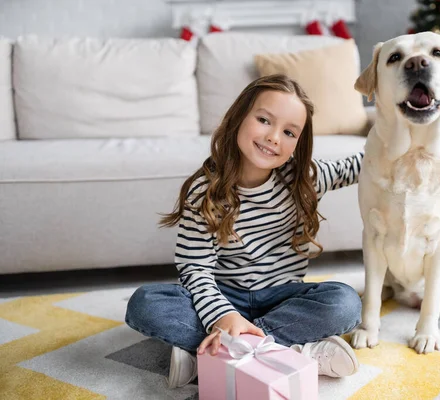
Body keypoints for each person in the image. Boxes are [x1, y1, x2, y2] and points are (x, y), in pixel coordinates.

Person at [125, 74, 364, 389]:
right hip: (224, 295)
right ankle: (287, 349)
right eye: (264, 120)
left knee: (345, 302)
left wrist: (401, 145)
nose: (274, 137)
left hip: (281, 299)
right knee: (145, 303)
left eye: (289, 132)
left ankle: (215, 353)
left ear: (297, 144)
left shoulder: (302, 177)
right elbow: (195, 269)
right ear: (239, 117)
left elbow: (356, 166)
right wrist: (223, 317)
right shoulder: (206, 190)